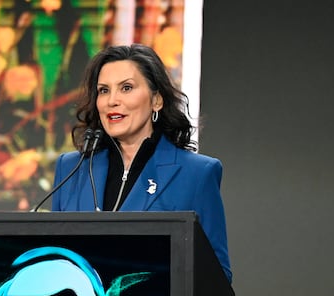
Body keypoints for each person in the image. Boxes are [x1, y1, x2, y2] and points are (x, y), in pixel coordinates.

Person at [51, 43, 231, 282]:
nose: (112, 100)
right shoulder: (70, 168)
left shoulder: (197, 174)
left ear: (156, 100)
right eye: (103, 91)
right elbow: (52, 259)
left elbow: (217, 274)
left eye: (126, 88)